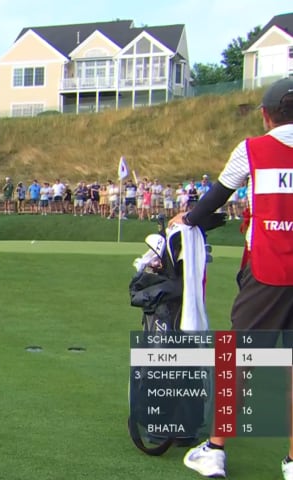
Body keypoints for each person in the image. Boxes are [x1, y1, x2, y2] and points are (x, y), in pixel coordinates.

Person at [174, 78, 293, 479]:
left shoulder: (253, 149)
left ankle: (214, 448)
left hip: (268, 269)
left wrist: (187, 219)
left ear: (265, 114)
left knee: (238, 360)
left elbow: (216, 197)